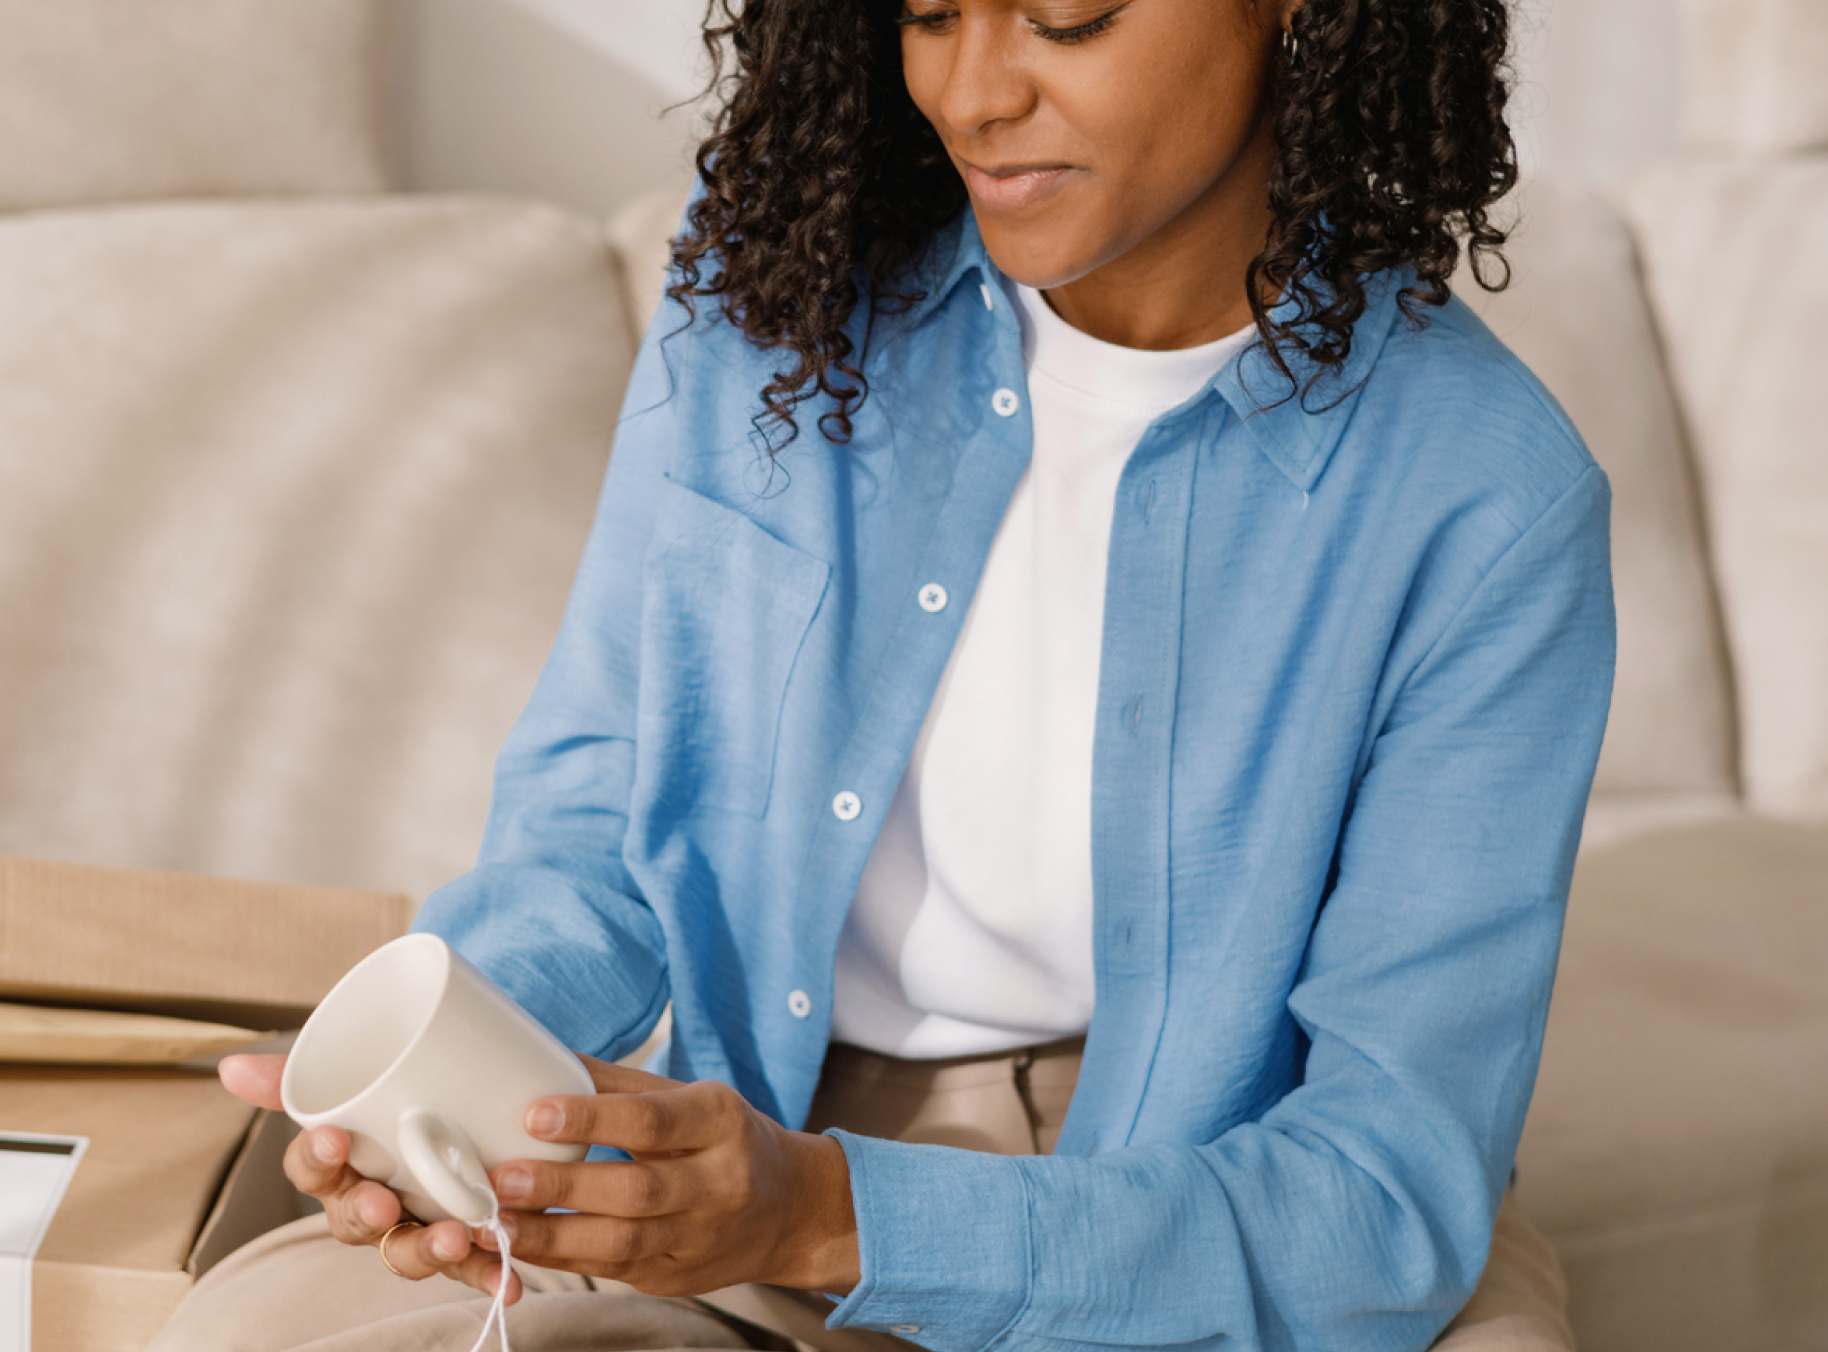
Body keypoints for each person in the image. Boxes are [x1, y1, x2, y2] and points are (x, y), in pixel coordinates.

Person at [157, 0, 1614, 1349]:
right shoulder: (775, 299)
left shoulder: (1484, 500)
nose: (969, 95)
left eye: (1065, 16)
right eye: (926, 10)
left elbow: (1375, 1194)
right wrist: (459, 1079)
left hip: (1191, 1217)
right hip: (735, 1157)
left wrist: (834, 1211)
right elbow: (602, 833)